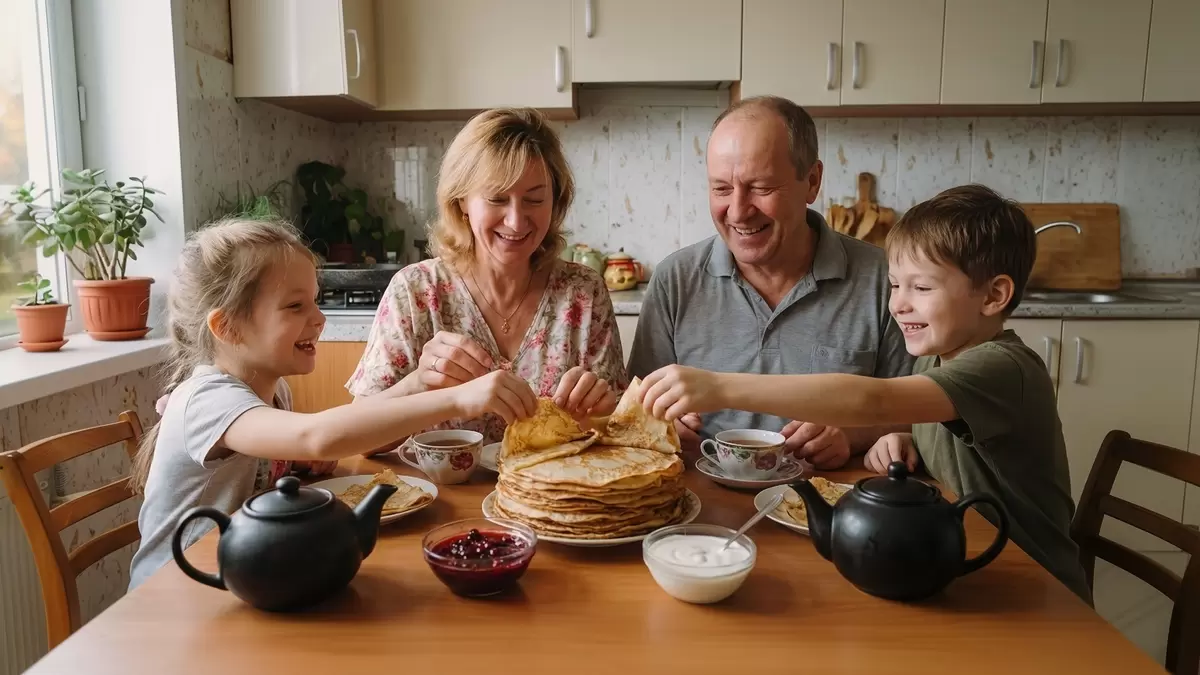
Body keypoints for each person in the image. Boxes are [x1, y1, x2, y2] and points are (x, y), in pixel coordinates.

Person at [638, 184, 1092, 603]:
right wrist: (912, 439)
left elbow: (871, 399)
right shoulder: (939, 358)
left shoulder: (1003, 368)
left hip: (1036, 589)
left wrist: (719, 386)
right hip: (967, 569)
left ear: (994, 296)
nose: (898, 303)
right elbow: (964, 443)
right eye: (896, 285)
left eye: (922, 287)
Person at [127, 218, 537, 590]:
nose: (319, 318)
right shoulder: (205, 400)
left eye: (315, 300)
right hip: (175, 595)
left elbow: (309, 440)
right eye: (295, 306)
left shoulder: (272, 390)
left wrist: (417, 385)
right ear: (227, 326)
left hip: (240, 580)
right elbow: (316, 436)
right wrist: (455, 399)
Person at [627, 95, 913, 470]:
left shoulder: (885, 281)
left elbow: (920, 414)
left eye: (761, 188)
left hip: (833, 503)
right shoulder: (675, 280)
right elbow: (634, 412)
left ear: (812, 181)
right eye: (721, 189)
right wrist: (660, 425)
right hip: (701, 508)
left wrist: (853, 434)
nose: (738, 211)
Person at [346, 108, 628, 445]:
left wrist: (600, 413)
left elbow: (616, 432)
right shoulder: (416, 292)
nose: (516, 221)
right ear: (462, 201)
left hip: (549, 497)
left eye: (534, 199)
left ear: (556, 201)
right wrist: (420, 383)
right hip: (441, 498)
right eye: (497, 198)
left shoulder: (583, 293)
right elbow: (360, 442)